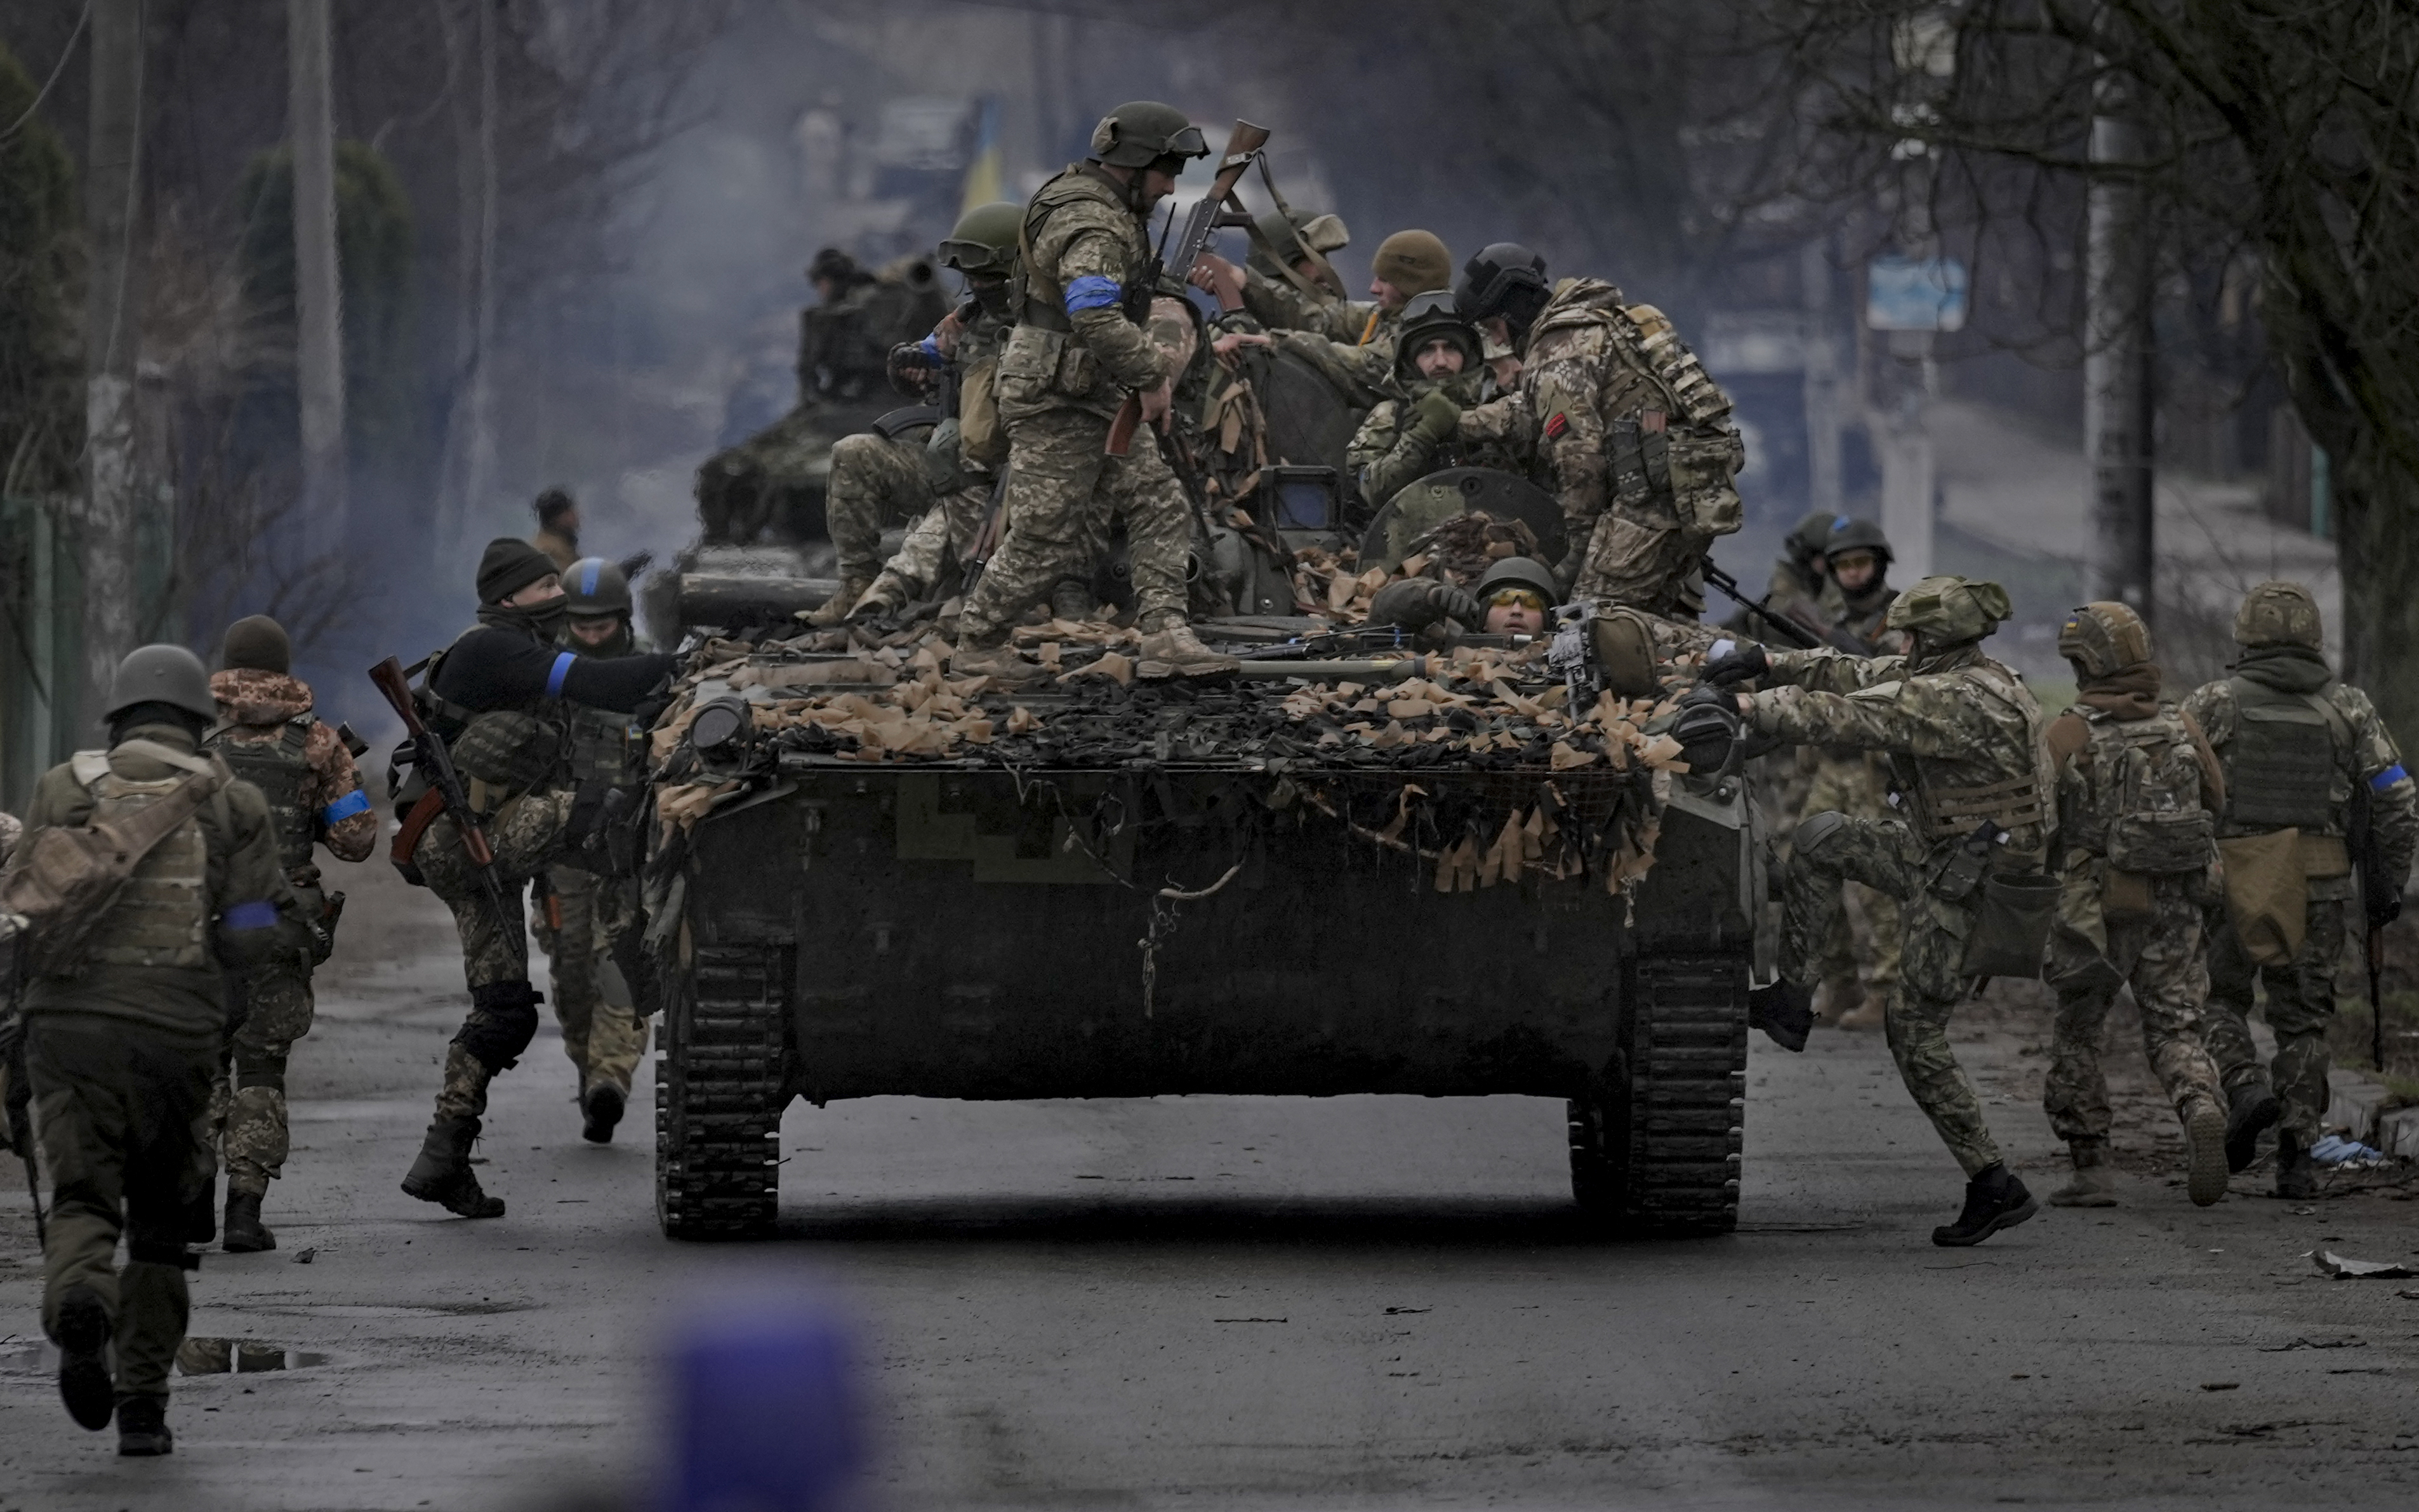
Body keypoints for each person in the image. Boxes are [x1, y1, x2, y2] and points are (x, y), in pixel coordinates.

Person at [20, 646, 303, 1454]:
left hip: (67, 1027)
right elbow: (254, 929)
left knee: (81, 1197)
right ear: (195, 723)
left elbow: (29, 902)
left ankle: (81, 1300)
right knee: (159, 1226)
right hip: (173, 1035)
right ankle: (142, 1405)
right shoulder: (230, 802)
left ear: (118, 720)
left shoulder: (61, 789)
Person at [1709, 576, 2049, 1245]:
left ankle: (1993, 1182)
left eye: (1911, 634)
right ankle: (1793, 998)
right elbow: (1853, 669)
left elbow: (1842, 715)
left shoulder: (1953, 701)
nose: (1902, 644)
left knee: (1913, 1030)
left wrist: (1744, 705)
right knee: (1821, 837)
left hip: (1969, 884)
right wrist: (1770, 660)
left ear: (1933, 639)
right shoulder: (1963, 674)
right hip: (1938, 853)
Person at [397, 540, 679, 1218]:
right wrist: (687, 666)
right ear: (510, 597)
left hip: (470, 850)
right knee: (613, 819)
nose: (558, 594)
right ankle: (650, 960)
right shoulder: (495, 648)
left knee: (505, 1013)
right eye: (545, 585)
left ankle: (444, 1158)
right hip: (469, 840)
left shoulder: (509, 643)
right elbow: (600, 682)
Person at [946, 101, 1235, 682]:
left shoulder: (1089, 199)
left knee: (1159, 502)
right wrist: (1151, 376)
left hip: (1087, 385)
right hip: (1060, 394)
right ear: (1133, 165)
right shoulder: (1093, 221)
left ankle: (1166, 635)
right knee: (1046, 540)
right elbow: (1094, 313)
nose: (1171, 185)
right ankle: (977, 642)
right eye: (1166, 170)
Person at [2183, 581, 2418, 1197]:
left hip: (2233, 878)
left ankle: (2242, 1085)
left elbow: (2170, 783)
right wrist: (2387, 881)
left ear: (2245, 636)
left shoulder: (2212, 702)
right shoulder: (2350, 708)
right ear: (2314, 637)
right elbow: (2395, 794)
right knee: (2304, 1021)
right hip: (2319, 881)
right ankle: (2296, 1154)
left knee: (2214, 998)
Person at [2037, 602, 2231, 1207]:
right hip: (2179, 898)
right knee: (2175, 1025)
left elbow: (2037, 821)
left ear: (2086, 665)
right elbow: (2217, 800)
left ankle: (2091, 1168)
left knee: (2078, 1031)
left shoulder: (2070, 731)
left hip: (2096, 907)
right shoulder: (2181, 724)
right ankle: (2199, 1103)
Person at [202, 615, 378, 1251]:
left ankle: (192, 1194)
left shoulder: (199, 740)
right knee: (262, 1063)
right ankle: (243, 1209)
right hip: (278, 920)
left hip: (207, 918)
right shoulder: (319, 743)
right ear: (283, 668)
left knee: (201, 1055)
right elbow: (355, 842)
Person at [1458, 244, 1746, 614]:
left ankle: (1738, 659)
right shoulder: (1602, 323)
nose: (1497, 340)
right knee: (1642, 620)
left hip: (1651, 506)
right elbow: (1530, 411)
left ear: (1514, 309)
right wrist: (1459, 421)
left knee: (1591, 623)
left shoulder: (1558, 351)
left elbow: (1581, 467)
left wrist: (1572, 560)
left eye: (1494, 326)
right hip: (1694, 489)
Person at [812, 202, 1024, 625]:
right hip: (949, 463)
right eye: (972, 277)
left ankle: (906, 590)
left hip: (1015, 479)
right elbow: (922, 356)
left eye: (988, 277)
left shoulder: (1048, 326)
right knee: (854, 452)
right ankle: (857, 583)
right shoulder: (965, 322)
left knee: (952, 494)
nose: (978, 286)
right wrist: (909, 368)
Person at [536, 559, 656, 1143]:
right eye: (579, 625)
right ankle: (590, 1070)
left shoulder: (652, 670)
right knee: (572, 968)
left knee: (621, 967)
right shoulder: (549, 673)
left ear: (622, 619)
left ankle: (610, 1078)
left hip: (628, 848)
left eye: (601, 625)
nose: (589, 635)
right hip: (563, 848)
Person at [1801, 516, 1904, 1030]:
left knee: (1877, 884)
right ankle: (1839, 982)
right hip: (1832, 762)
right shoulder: (1831, 618)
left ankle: (1887, 993)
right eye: (1842, 565)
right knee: (1808, 869)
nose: (1852, 573)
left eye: (1861, 563)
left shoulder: (1901, 621)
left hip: (1873, 769)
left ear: (1879, 565)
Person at [1345, 290, 1535, 511]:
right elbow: (1372, 492)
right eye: (1427, 350)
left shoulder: (1503, 407)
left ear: (1469, 354)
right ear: (1411, 361)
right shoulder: (1389, 416)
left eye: (1451, 348)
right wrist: (1420, 436)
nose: (1441, 361)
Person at [1368, 556, 1561, 645]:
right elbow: (1379, 611)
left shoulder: (1564, 666)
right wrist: (1429, 595)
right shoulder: (1450, 645)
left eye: (1531, 603)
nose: (1517, 610)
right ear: (1482, 614)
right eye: (1503, 600)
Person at [531, 488, 581, 570]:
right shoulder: (549, 552)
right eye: (568, 512)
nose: (575, 515)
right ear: (556, 518)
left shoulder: (564, 547)